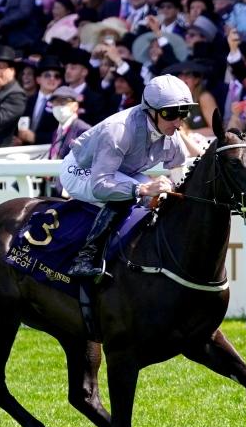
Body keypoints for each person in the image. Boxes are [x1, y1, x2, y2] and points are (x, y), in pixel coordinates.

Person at [61, 74, 205, 279]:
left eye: (184, 113)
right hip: (82, 169)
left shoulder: (171, 134)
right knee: (129, 195)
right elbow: (100, 185)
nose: (178, 122)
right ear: (151, 111)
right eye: (170, 113)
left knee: (161, 198)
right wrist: (142, 189)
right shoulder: (119, 130)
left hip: (119, 170)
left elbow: (179, 175)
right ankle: (84, 259)